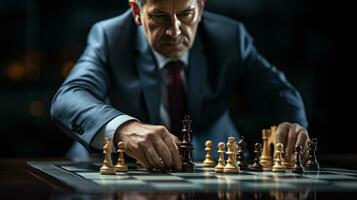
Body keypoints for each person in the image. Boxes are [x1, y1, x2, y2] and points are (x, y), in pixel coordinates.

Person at [50, 0, 309, 171]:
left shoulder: (230, 37)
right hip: (117, 171)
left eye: (186, 14)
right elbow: (68, 98)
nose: (175, 31)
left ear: (201, 7)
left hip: (213, 170)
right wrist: (123, 129)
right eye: (160, 16)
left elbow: (280, 94)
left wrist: (291, 129)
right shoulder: (110, 36)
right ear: (137, 12)